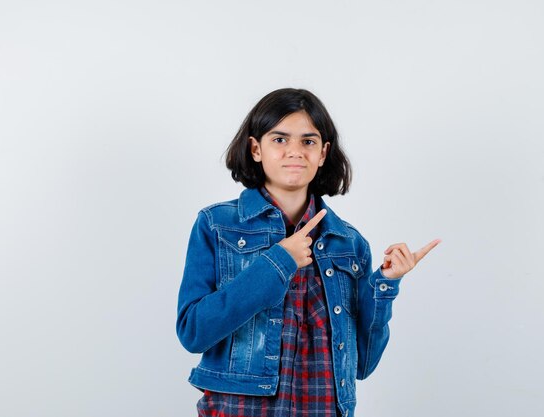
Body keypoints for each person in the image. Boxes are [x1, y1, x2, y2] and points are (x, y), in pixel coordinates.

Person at [176, 88, 440, 417]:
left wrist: (386, 283)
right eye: (280, 139)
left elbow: (363, 363)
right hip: (239, 409)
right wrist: (278, 263)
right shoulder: (216, 226)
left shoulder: (349, 243)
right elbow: (193, 332)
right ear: (256, 148)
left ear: (324, 152)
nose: (295, 152)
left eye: (308, 141)